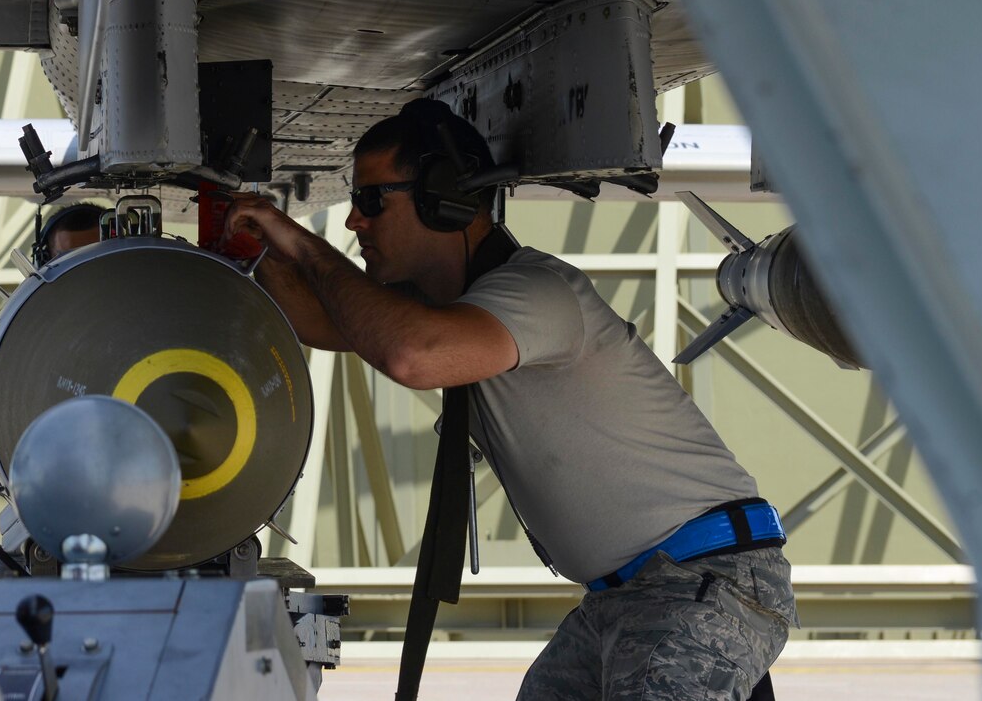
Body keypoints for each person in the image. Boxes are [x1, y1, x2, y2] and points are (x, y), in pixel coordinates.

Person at [224, 98, 795, 701]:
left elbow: (412, 356)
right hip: (629, 593)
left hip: (701, 579)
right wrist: (262, 250)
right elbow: (322, 322)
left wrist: (305, 246)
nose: (353, 223)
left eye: (370, 202)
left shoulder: (537, 293)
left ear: (442, 198)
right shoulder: (452, 311)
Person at [0, 202, 109, 487]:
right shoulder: (17, 340)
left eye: (96, 262)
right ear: (44, 264)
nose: (85, 278)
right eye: (71, 264)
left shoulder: (164, 324)